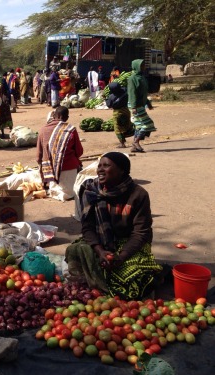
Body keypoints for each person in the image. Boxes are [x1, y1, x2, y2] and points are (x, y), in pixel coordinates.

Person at [65, 152, 163, 300]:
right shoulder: (91, 190)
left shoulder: (138, 194)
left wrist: (121, 256)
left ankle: (159, 274)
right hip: (102, 242)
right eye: (99, 166)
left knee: (129, 278)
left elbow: (140, 233)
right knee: (75, 250)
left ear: (122, 170)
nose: (100, 170)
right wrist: (100, 251)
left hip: (129, 243)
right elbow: (87, 227)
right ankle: (96, 283)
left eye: (106, 165)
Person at [37, 106, 83, 201]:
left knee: (55, 188)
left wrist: (41, 168)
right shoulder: (71, 129)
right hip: (69, 168)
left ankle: (52, 189)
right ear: (66, 117)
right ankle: (65, 193)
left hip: (49, 171)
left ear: (54, 116)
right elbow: (79, 152)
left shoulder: (43, 130)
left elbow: (38, 155)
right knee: (71, 191)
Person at [128, 59, 156, 153]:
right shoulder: (132, 78)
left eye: (143, 65)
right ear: (136, 66)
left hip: (141, 104)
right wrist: (133, 106)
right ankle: (136, 142)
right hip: (135, 104)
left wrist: (148, 103)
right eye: (141, 65)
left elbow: (143, 93)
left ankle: (134, 147)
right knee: (148, 124)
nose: (143, 67)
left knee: (139, 126)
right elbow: (132, 93)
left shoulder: (141, 77)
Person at [106, 82, 134, 148]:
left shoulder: (112, 97)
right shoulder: (125, 92)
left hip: (118, 113)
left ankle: (122, 143)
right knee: (127, 125)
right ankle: (135, 135)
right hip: (126, 111)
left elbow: (109, 105)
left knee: (117, 129)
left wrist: (106, 99)